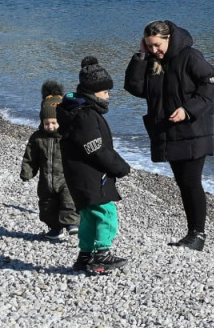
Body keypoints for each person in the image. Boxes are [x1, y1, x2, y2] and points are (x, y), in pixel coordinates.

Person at [124, 20, 214, 251]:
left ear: (169, 39)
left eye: (157, 45)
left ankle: (198, 235)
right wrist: (141, 56)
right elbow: (135, 87)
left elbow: (212, 85)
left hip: (193, 130)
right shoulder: (152, 61)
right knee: (183, 183)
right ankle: (193, 233)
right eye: (149, 45)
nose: (154, 50)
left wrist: (188, 110)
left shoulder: (190, 56)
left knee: (191, 181)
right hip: (169, 132)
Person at [57, 56, 131, 274]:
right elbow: (95, 148)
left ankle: (85, 255)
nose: (108, 96)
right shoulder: (86, 116)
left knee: (89, 217)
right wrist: (119, 166)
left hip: (77, 175)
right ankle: (102, 254)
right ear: (93, 92)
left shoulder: (74, 111)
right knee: (106, 213)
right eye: (105, 92)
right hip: (91, 176)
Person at [20, 80, 79, 238]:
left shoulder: (68, 136)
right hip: (46, 180)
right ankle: (54, 228)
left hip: (66, 178)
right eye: (47, 123)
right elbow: (30, 156)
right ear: (42, 121)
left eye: (54, 123)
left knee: (69, 201)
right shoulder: (38, 137)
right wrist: (27, 171)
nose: (50, 126)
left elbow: (80, 153)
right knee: (47, 206)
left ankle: (71, 223)